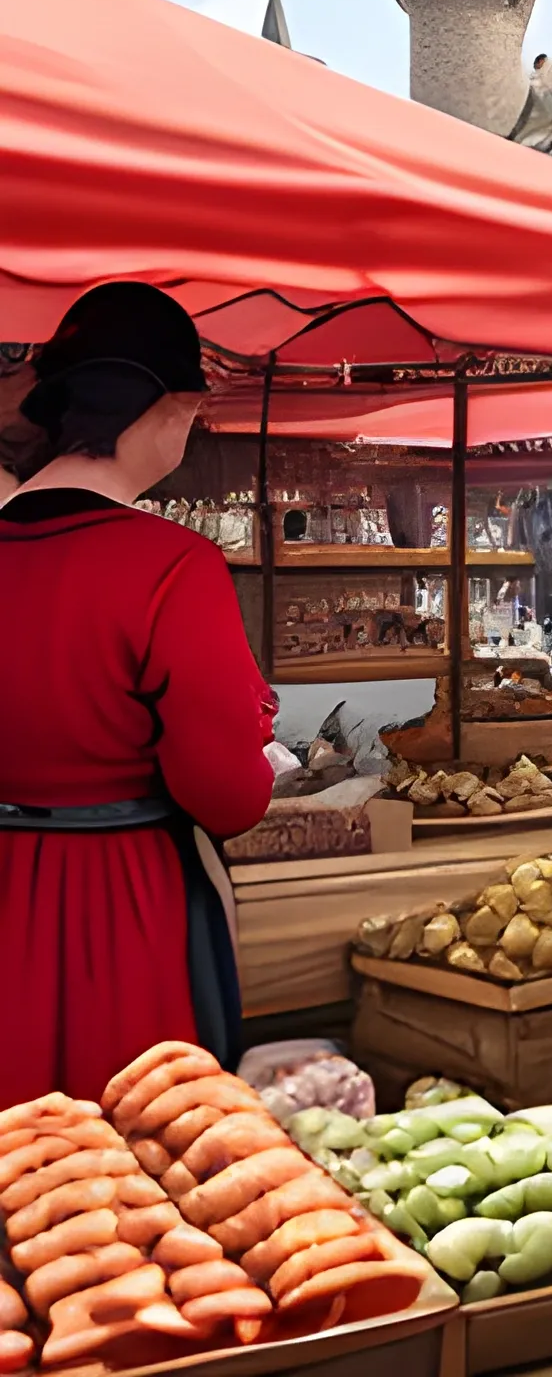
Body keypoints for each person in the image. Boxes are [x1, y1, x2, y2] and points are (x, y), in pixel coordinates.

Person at [0, 284, 276, 1107]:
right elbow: (229, 796)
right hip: (121, 907)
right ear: (169, 410)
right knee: (125, 1181)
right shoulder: (169, 565)